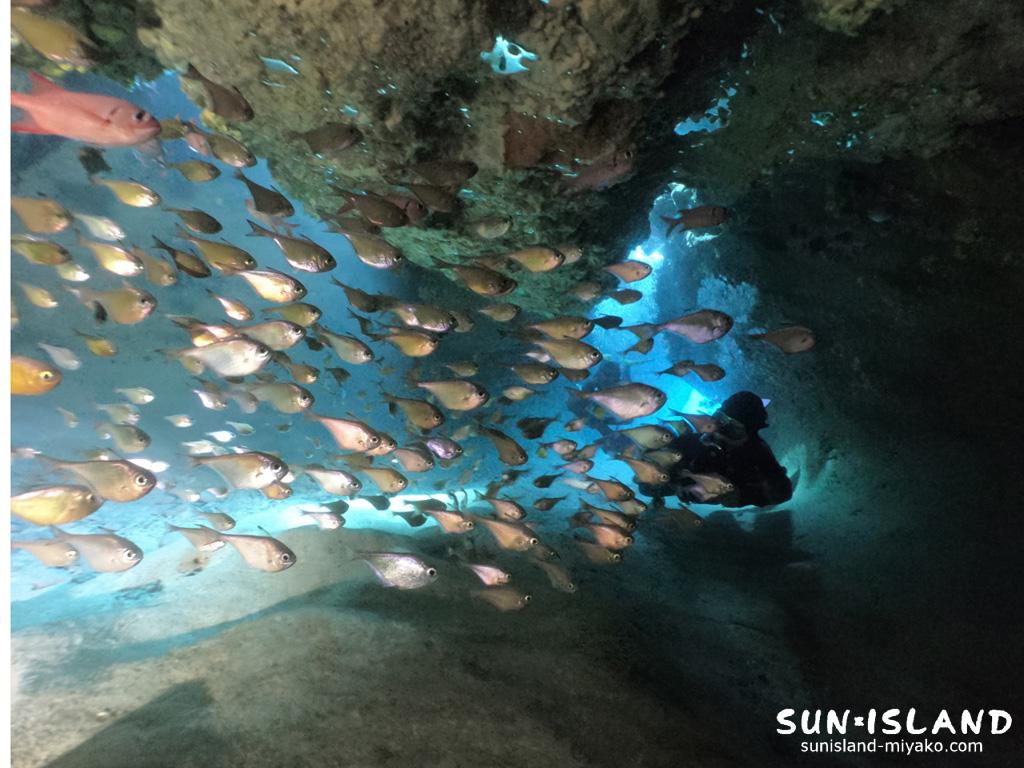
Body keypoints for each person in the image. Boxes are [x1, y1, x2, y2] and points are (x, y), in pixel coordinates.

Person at [640, 391, 793, 508]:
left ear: (750, 433)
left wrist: (737, 496)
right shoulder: (692, 439)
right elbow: (645, 487)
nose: (718, 431)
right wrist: (662, 473)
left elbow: (783, 493)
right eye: (719, 420)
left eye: (733, 429)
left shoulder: (756, 452)